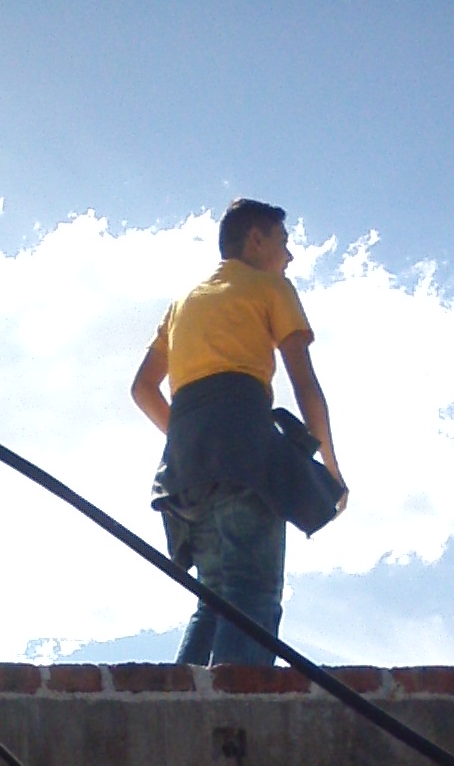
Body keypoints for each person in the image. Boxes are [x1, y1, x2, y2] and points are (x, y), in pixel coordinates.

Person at [131, 198, 346, 666]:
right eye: (283, 242)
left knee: (214, 599)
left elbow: (142, 388)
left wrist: (187, 439)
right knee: (254, 595)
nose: (289, 256)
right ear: (256, 240)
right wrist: (330, 467)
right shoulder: (270, 287)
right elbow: (305, 383)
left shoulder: (183, 303)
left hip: (185, 468)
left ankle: (179, 700)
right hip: (245, 456)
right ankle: (234, 705)